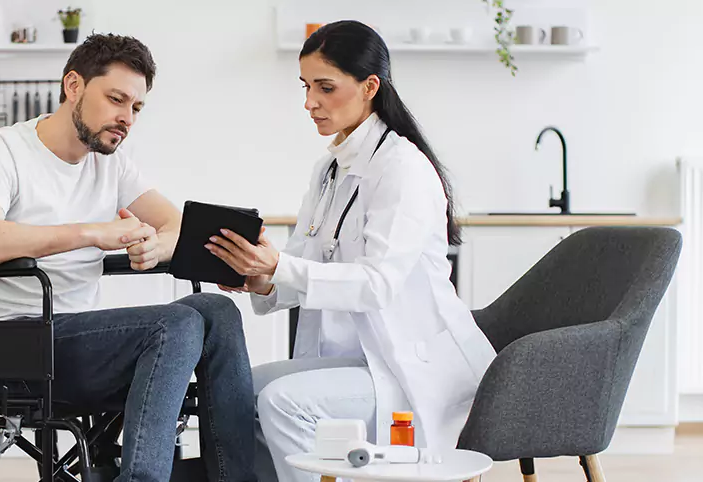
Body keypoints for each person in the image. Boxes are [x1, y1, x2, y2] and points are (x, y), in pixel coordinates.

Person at [0, 33, 257, 482]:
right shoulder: (3, 149)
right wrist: (91, 233)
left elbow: (178, 227)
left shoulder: (111, 162)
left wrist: (159, 245)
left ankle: (235, 479)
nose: (126, 118)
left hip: (77, 341)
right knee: (177, 322)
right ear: (73, 85)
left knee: (217, 310)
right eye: (116, 99)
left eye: (136, 108)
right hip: (11, 343)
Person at [206, 21, 498, 482]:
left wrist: (280, 265)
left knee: (281, 403)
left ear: (369, 87)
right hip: (354, 360)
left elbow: (377, 285)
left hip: (410, 367)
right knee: (237, 395)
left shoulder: (403, 168)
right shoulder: (329, 169)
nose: (309, 103)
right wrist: (257, 275)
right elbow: (303, 266)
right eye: (305, 87)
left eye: (325, 87)